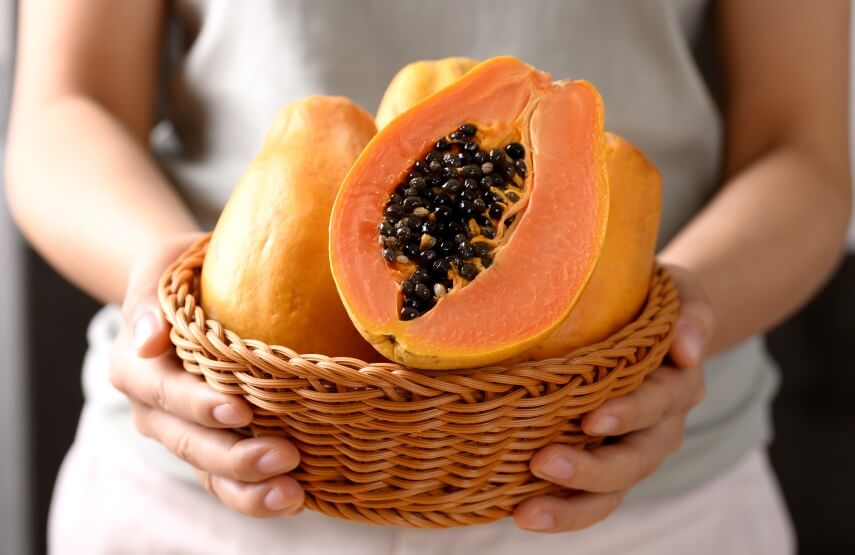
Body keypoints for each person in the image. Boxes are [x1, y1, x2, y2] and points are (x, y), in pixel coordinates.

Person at [5, 0, 850, 553]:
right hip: (208, 470)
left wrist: (673, 328)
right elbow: (64, 108)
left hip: (638, 486)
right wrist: (160, 288)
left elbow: (806, 150)